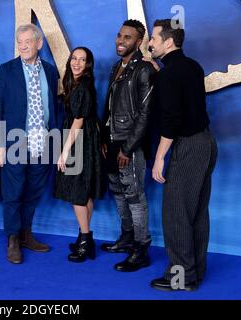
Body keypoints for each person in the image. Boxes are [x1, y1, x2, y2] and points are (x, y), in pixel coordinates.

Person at [148, 19, 218, 291]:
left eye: (153, 37)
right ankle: (194, 273)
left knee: (176, 214)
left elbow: (172, 119)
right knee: (197, 213)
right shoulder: (191, 66)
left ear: (168, 41)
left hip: (188, 147)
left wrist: (159, 157)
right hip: (207, 143)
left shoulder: (170, 74)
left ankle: (180, 278)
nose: (149, 43)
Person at [0, 24, 59, 264]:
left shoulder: (50, 71)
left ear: (39, 43)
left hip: (43, 143)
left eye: (28, 41)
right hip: (13, 143)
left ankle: (26, 235)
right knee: (13, 193)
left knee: (33, 192)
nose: (23, 46)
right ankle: (12, 240)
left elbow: (55, 108)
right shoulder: (7, 70)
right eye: (19, 42)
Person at [100, 20, 156, 272]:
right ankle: (126, 237)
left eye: (128, 37)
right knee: (118, 192)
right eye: (119, 35)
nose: (121, 40)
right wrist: (104, 138)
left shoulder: (144, 69)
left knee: (134, 196)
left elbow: (146, 114)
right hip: (112, 140)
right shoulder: (117, 67)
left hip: (129, 144)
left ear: (138, 42)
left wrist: (128, 148)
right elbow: (110, 106)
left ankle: (141, 248)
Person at [54, 47, 105, 262]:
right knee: (85, 191)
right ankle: (84, 238)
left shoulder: (81, 88)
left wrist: (64, 151)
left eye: (82, 60)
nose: (76, 63)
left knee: (78, 191)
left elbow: (78, 121)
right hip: (87, 139)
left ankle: (85, 241)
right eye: (74, 58)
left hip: (79, 141)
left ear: (88, 65)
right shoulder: (77, 84)